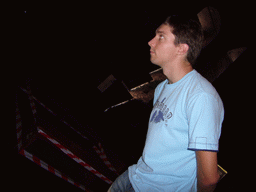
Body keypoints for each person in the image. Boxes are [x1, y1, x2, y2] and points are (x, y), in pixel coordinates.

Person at [108, 15, 224, 192]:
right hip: (134, 176)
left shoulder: (201, 96)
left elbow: (208, 179)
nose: (150, 42)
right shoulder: (163, 87)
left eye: (160, 36)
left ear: (181, 49)